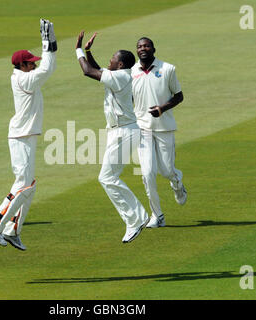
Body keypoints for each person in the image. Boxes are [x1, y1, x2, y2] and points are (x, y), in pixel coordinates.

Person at [0, 19, 57, 250]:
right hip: (21, 136)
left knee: (29, 185)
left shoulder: (24, 76)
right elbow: (48, 67)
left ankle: (13, 230)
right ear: (22, 65)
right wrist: (47, 41)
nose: (34, 66)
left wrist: (50, 41)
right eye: (30, 63)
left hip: (25, 135)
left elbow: (45, 67)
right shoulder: (24, 79)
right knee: (24, 184)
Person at [75, 31, 149, 243]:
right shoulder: (120, 75)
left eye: (112, 60)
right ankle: (136, 218)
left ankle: (136, 219)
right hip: (120, 131)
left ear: (120, 65)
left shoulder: (122, 77)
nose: (109, 62)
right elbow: (99, 70)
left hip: (124, 131)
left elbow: (89, 71)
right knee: (108, 177)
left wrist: (78, 50)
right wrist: (88, 51)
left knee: (107, 177)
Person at [131, 37, 187, 228]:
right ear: (136, 50)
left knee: (166, 170)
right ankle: (157, 215)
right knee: (147, 173)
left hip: (164, 127)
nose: (143, 49)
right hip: (142, 128)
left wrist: (162, 108)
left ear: (154, 48)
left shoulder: (167, 69)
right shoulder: (130, 73)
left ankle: (177, 183)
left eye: (146, 46)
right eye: (139, 46)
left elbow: (179, 96)